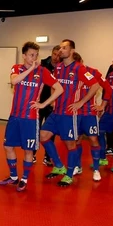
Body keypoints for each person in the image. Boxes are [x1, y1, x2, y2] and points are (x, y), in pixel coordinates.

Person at [0, 41, 63, 192]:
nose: (34, 58)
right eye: (31, 55)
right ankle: (13, 176)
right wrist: (30, 70)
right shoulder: (17, 68)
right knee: (8, 146)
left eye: (36, 55)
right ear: (24, 55)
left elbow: (59, 88)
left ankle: (24, 179)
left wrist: (43, 104)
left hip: (30, 118)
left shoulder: (43, 71)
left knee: (28, 150)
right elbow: (14, 80)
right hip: (15, 116)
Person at [38, 39, 101, 187]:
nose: (61, 50)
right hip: (56, 112)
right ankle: (59, 165)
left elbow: (95, 85)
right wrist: (53, 99)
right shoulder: (58, 67)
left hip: (69, 114)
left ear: (72, 50)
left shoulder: (80, 68)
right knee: (43, 135)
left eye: (64, 48)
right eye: (60, 48)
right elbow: (54, 85)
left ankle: (69, 175)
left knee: (70, 144)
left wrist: (81, 102)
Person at [71, 52, 111, 182]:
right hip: (76, 113)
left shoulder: (93, 72)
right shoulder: (70, 73)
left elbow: (108, 88)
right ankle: (77, 166)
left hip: (89, 113)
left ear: (81, 62)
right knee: (76, 140)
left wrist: (102, 106)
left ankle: (96, 169)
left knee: (93, 139)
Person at [36, 45, 61, 166]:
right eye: (54, 54)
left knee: (50, 132)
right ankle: (33, 153)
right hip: (40, 102)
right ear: (51, 53)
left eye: (58, 55)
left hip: (53, 103)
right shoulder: (42, 65)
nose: (56, 57)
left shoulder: (62, 68)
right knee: (36, 128)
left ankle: (47, 156)